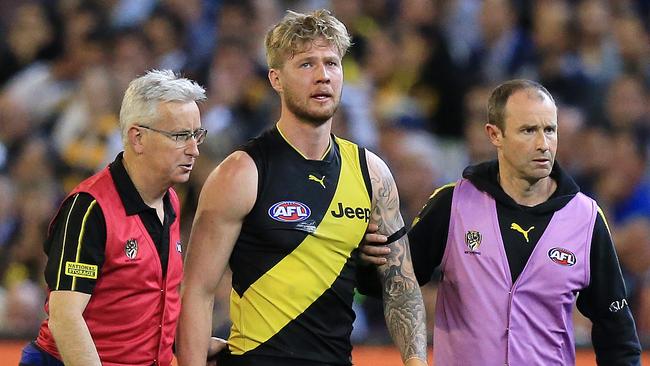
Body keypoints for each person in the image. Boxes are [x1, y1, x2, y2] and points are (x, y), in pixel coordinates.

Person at [177, 9, 427, 366]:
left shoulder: (372, 173)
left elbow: (401, 287)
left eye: (332, 63)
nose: (323, 76)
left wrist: (417, 362)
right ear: (276, 79)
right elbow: (197, 292)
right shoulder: (241, 173)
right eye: (307, 64)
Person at [359, 79, 642, 365]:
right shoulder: (453, 205)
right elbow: (391, 284)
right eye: (528, 130)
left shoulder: (586, 219)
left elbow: (617, 332)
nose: (543, 144)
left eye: (550, 130)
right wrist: (370, 257)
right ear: (495, 135)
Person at [19, 69, 208, 366]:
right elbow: (65, 318)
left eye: (197, 134)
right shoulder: (90, 209)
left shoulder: (170, 199)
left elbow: (149, 300)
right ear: (138, 138)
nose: (194, 149)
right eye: (180, 136)